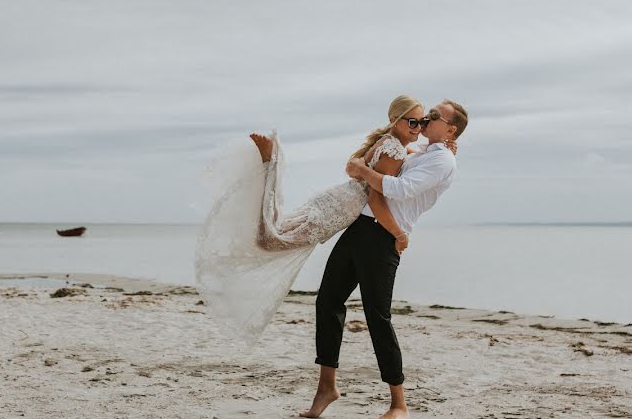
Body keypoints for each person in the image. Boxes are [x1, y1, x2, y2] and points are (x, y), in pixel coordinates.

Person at [194, 96, 454, 346]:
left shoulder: (390, 142)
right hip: (337, 211)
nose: (419, 129)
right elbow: (376, 200)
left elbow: (372, 163)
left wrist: (446, 143)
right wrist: (400, 235)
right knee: (268, 240)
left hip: (336, 200)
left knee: (273, 235)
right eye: (413, 123)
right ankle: (268, 164)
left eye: (422, 123)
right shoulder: (395, 151)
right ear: (396, 120)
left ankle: (268, 166)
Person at [300, 99, 468, 419]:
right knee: (328, 301)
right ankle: (327, 388)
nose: (427, 120)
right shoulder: (425, 153)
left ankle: (399, 404)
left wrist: (364, 172)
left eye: (435, 117)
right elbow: (383, 168)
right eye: (425, 115)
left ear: (450, 129)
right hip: (361, 228)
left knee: (378, 317)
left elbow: (400, 190)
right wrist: (365, 163)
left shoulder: (443, 161)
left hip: (383, 237)